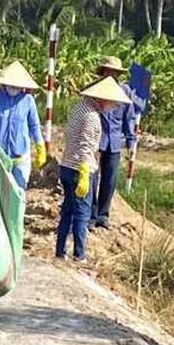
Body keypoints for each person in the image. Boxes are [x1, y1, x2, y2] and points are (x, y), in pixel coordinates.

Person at [56, 77, 131, 263]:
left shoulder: (78, 108)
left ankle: (60, 250)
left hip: (66, 165)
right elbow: (86, 146)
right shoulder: (92, 117)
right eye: (112, 101)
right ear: (103, 99)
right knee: (82, 213)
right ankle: (79, 255)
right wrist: (83, 172)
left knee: (67, 209)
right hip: (80, 169)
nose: (113, 105)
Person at [0, 61, 46, 190]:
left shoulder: (28, 101)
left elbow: (34, 125)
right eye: (11, 84)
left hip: (20, 158)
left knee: (18, 193)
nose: (14, 88)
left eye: (17, 85)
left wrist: (40, 145)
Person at [91, 57, 136, 230]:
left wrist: (131, 142)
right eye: (108, 70)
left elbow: (129, 119)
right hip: (96, 140)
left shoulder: (124, 92)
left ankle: (103, 215)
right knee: (92, 178)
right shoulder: (95, 90)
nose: (111, 74)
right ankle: (91, 215)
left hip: (114, 142)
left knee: (110, 180)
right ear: (102, 72)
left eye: (114, 71)